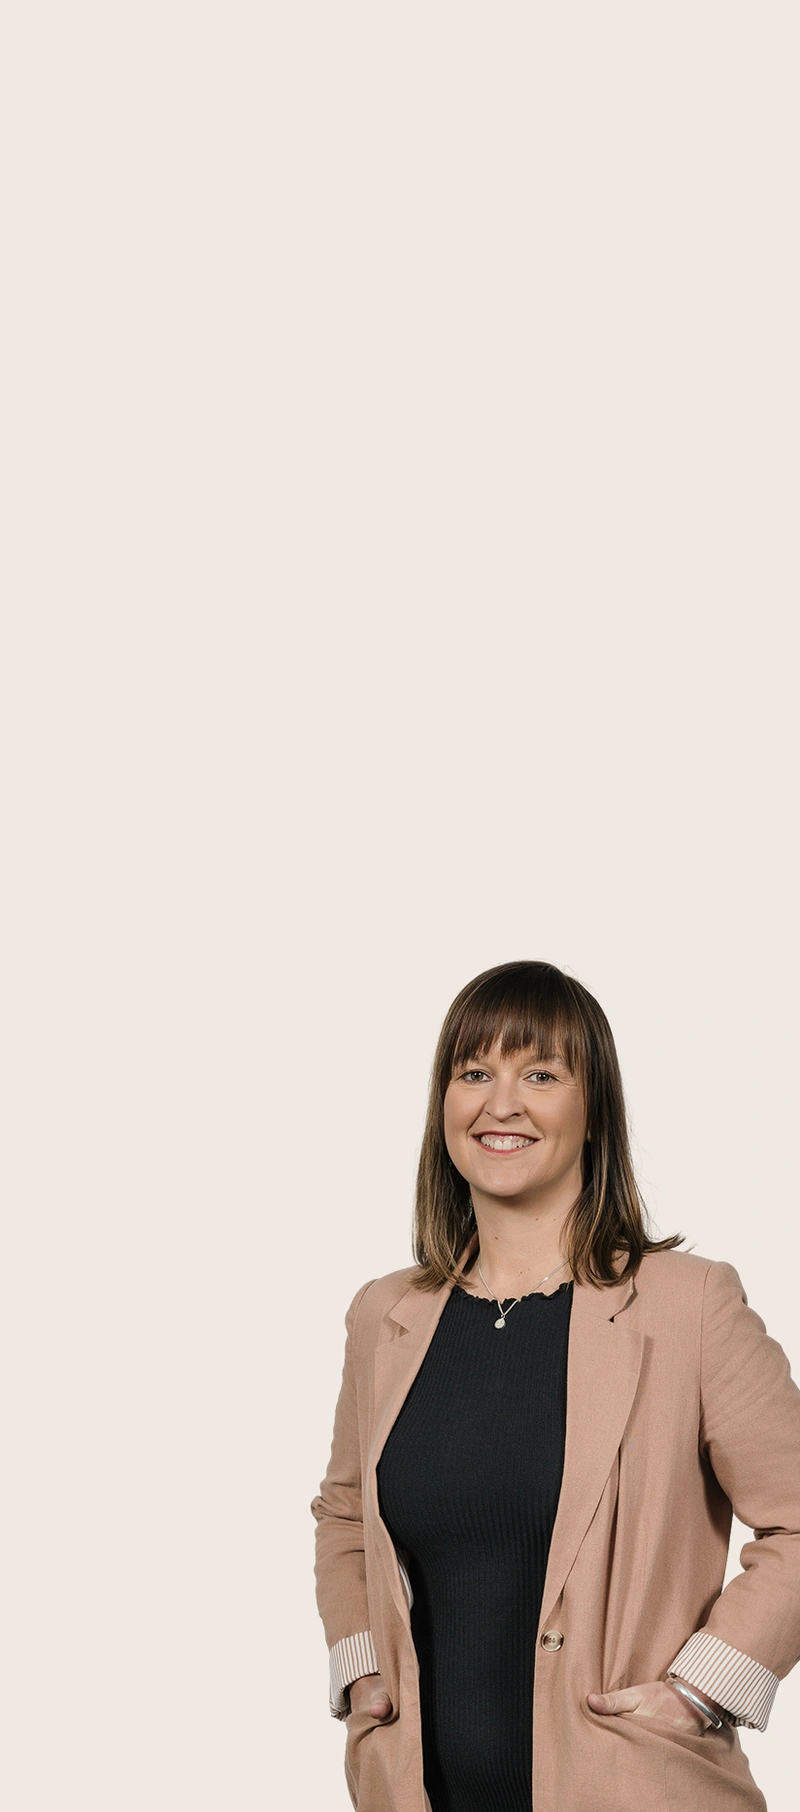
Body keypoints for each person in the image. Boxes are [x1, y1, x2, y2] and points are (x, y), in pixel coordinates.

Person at [311, 960, 800, 1812]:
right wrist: (361, 1671)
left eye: (540, 1074)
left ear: (593, 1109)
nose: (501, 1104)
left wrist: (702, 1689)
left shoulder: (690, 1306)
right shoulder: (384, 1315)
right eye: (475, 1073)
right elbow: (347, 1515)